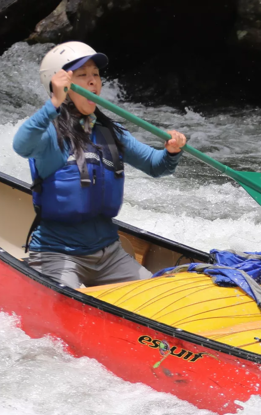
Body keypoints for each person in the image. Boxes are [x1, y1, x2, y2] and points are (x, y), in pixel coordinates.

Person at [12, 41, 187, 289]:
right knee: (64, 308)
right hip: (58, 254)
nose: (93, 81)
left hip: (108, 254)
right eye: (82, 75)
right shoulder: (51, 134)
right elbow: (21, 145)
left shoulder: (110, 132)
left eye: (95, 74)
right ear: (61, 85)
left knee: (155, 296)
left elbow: (155, 166)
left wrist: (171, 153)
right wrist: (52, 103)